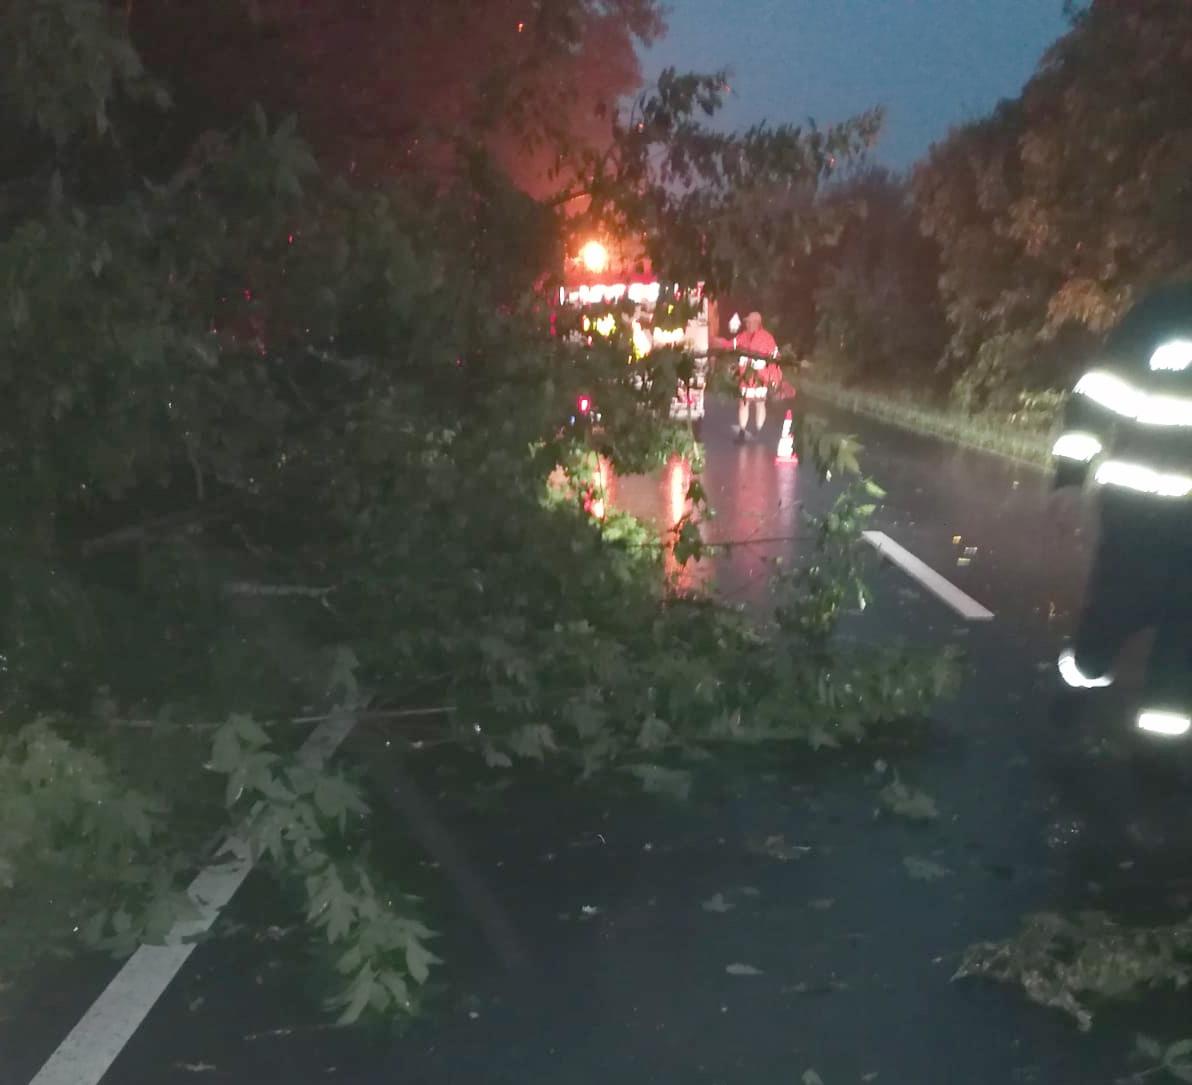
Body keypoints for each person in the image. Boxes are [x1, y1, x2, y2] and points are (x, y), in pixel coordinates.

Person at [1051, 282, 1192, 737]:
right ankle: (1081, 681)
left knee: (1183, 643)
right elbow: (1099, 395)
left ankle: (1160, 752)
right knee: (1110, 615)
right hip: (1139, 513)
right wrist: (1071, 479)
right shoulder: (1164, 312)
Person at [712, 311, 782, 441]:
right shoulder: (743, 336)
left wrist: (774, 376)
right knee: (743, 403)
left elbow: (775, 358)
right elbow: (731, 344)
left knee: (760, 403)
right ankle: (742, 432)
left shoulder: (768, 338)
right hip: (746, 377)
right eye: (747, 322)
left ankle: (758, 430)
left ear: (757, 323)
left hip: (761, 377)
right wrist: (719, 343)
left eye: (749, 322)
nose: (747, 324)